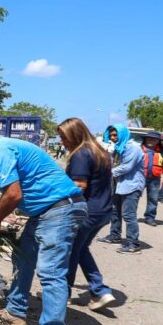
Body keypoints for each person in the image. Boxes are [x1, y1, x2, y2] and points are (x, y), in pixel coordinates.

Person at [0, 124, 87, 325]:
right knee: (23, 257)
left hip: (60, 209)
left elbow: (13, 194)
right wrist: (0, 214)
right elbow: (15, 191)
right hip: (44, 211)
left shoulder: (0, 151)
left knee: (51, 272)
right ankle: (16, 311)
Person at [57, 118, 116, 311]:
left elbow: (79, 185)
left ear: (74, 135)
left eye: (64, 137)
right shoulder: (99, 151)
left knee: (70, 251)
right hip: (103, 211)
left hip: (87, 212)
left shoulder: (81, 154)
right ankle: (100, 291)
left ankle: (62, 295)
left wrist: (57, 203)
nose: (62, 142)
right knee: (81, 249)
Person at [97, 124, 146, 255]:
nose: (113, 138)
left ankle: (133, 244)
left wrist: (107, 173)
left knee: (128, 215)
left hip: (131, 185)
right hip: (118, 185)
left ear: (122, 134)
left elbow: (126, 167)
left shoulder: (133, 147)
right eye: (111, 135)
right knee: (114, 211)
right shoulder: (118, 148)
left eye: (115, 135)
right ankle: (115, 235)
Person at [139, 131, 163, 226]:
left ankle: (150, 217)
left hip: (155, 179)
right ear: (145, 139)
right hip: (140, 177)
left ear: (158, 141)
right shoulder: (139, 149)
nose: (151, 140)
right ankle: (130, 215)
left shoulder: (162, 152)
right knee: (134, 197)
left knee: (153, 199)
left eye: (154, 139)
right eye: (149, 138)